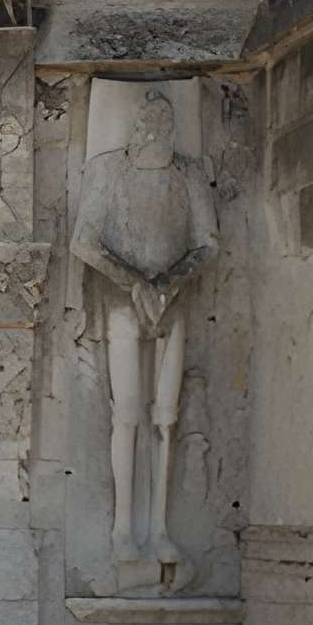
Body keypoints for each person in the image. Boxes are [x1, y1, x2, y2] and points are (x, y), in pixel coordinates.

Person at [70, 92, 218, 587]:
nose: (156, 121)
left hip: (172, 301)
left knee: (167, 418)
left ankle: (159, 528)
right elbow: (84, 240)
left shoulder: (189, 174)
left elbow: (207, 242)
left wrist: (169, 283)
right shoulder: (108, 170)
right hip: (121, 301)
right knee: (127, 412)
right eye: (147, 117)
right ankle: (121, 529)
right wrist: (133, 281)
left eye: (164, 117)